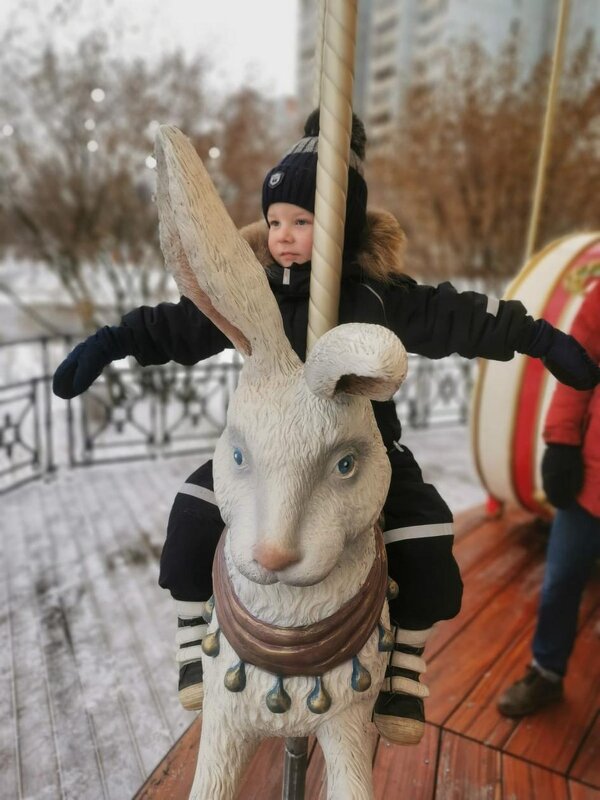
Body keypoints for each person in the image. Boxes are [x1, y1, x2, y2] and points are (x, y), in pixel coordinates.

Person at [53, 110, 600, 746]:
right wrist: (108, 342)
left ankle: (405, 666)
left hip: (359, 450)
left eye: (302, 222)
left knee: (425, 532)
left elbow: (461, 317)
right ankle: (188, 634)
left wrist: (539, 337)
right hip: (265, 455)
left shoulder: (376, 294)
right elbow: (176, 324)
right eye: (276, 220)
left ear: (338, 226)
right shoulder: (252, 290)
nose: (283, 235)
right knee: (194, 511)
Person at [498, 279, 600, 718]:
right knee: (561, 579)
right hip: (593, 477)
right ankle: (547, 671)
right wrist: (560, 443)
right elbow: (579, 363)